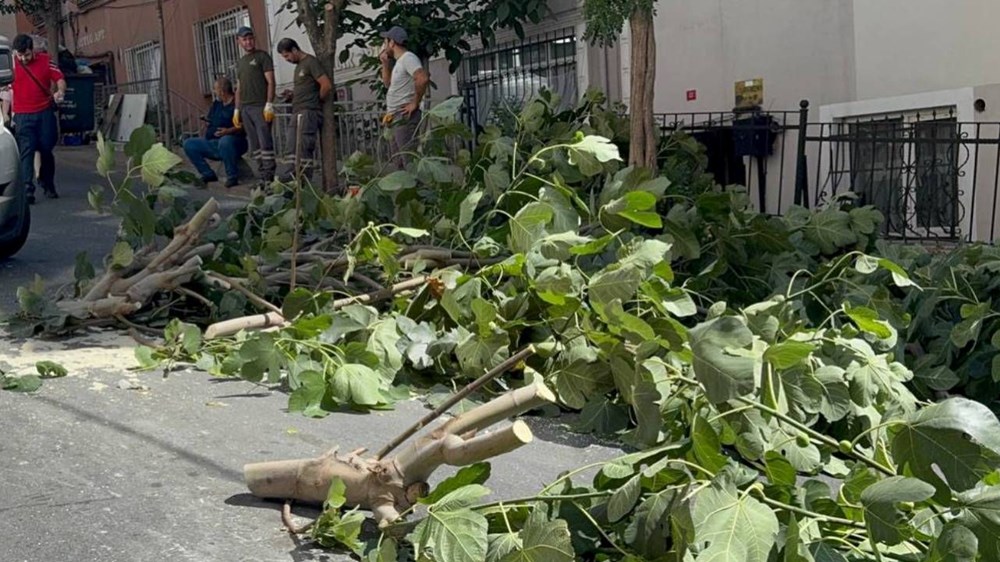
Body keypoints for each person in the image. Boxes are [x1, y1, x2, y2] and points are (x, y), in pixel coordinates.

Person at [11, 34, 66, 205]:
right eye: (20, 55)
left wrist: (60, 92)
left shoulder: (45, 60)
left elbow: (59, 78)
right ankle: (28, 188)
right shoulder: (10, 64)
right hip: (22, 115)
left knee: (46, 149)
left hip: (44, 113)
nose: (23, 59)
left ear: (32, 50)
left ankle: (47, 182)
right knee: (26, 151)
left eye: (26, 54)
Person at [276, 38, 331, 182]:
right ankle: (290, 179)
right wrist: (293, 94)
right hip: (298, 110)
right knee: (291, 146)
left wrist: (316, 100)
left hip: (308, 111)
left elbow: (325, 85)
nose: (286, 59)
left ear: (294, 50)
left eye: (287, 56)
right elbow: (306, 87)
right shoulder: (299, 67)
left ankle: (303, 181)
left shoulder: (310, 62)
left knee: (303, 148)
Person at [182, 77, 247, 188]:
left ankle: (232, 176)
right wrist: (207, 121)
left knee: (225, 141)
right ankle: (207, 174)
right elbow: (211, 119)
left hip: (234, 142)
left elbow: (245, 125)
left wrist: (228, 131)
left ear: (222, 91)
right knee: (189, 143)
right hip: (213, 142)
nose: (214, 92)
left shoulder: (237, 104)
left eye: (215, 89)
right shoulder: (217, 104)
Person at [379, 26, 429, 167]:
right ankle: (404, 189)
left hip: (404, 116)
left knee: (408, 159)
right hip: (394, 116)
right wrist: (385, 63)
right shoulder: (399, 62)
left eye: (385, 41)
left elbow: (422, 78)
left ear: (392, 43)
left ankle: (417, 188)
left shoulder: (408, 58)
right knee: (398, 160)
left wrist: (415, 103)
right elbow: (387, 83)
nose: (383, 45)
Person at [233, 26, 276, 186]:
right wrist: (236, 110)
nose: (248, 42)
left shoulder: (262, 57)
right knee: (255, 144)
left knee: (265, 142)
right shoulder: (240, 62)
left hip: (260, 106)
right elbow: (239, 88)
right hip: (245, 108)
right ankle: (261, 174)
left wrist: (269, 103)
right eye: (244, 39)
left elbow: (271, 82)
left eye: (250, 38)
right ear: (239, 41)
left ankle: (269, 174)